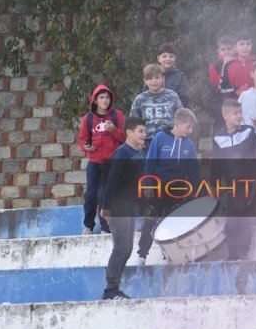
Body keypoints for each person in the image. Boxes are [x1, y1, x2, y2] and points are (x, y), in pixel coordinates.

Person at [136, 108, 201, 264]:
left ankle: (168, 255)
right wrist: (148, 185)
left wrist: (194, 191)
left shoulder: (189, 145)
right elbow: (150, 162)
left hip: (177, 190)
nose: (190, 131)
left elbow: (193, 171)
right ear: (177, 124)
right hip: (158, 187)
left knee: (170, 223)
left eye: (192, 128)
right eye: (188, 127)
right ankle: (142, 254)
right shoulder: (160, 137)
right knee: (150, 220)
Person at [212, 99, 256, 260]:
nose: (239, 116)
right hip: (231, 187)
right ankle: (233, 254)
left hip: (251, 184)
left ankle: (244, 253)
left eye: (240, 113)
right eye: (235, 113)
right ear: (225, 115)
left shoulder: (249, 131)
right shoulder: (218, 137)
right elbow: (216, 164)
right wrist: (214, 185)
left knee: (246, 220)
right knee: (231, 222)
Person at [99, 117, 147, 299]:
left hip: (131, 207)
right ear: (129, 132)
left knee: (127, 249)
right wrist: (106, 206)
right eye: (140, 131)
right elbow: (111, 181)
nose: (144, 135)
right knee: (120, 248)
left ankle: (114, 288)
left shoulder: (139, 153)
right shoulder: (122, 153)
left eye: (144, 131)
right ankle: (110, 289)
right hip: (118, 206)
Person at [76, 84, 125, 234]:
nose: (105, 100)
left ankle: (106, 227)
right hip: (94, 162)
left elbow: (125, 138)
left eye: (107, 97)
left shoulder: (117, 115)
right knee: (91, 195)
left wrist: (114, 131)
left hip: (111, 162)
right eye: (101, 97)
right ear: (95, 100)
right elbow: (83, 139)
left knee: (105, 195)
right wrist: (86, 147)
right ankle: (88, 225)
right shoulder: (89, 118)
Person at [129, 64, 184, 149]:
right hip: (147, 143)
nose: (154, 81)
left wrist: (179, 134)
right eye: (150, 78)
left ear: (162, 79)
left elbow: (181, 117)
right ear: (145, 81)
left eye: (157, 78)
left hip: (170, 141)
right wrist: (137, 141)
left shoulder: (172, 96)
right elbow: (133, 122)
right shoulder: (140, 99)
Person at [208, 33, 238, 126]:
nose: (226, 52)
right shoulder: (214, 66)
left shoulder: (239, 63)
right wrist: (225, 66)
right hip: (221, 105)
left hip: (237, 102)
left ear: (235, 48)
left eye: (229, 49)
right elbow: (216, 85)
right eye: (223, 49)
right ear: (219, 51)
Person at [157, 42, 191, 108]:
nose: (168, 59)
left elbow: (184, 98)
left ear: (175, 58)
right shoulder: (153, 75)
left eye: (171, 56)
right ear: (158, 58)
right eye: (164, 56)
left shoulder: (180, 77)